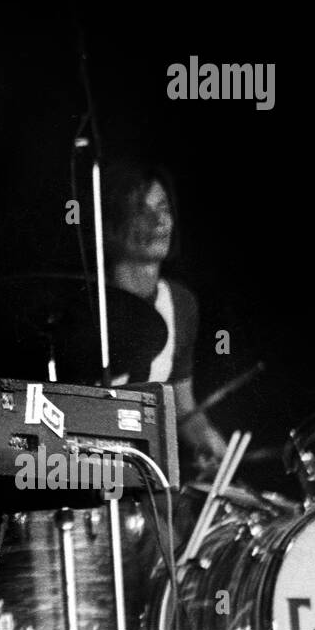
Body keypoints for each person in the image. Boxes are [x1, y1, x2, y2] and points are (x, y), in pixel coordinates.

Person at [101, 159, 227, 470]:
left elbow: (183, 406)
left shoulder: (181, 303)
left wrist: (206, 437)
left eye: (164, 208)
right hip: (93, 475)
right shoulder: (86, 304)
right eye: (142, 212)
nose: (159, 221)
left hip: (151, 478)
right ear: (112, 224)